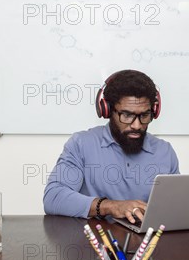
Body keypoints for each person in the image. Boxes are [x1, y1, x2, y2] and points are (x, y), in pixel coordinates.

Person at [43, 70, 180, 223]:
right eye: (127, 115)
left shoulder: (165, 151)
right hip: (95, 242)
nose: (136, 125)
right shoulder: (81, 144)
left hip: (147, 243)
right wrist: (110, 206)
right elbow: (53, 198)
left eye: (144, 115)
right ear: (107, 110)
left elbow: (176, 207)